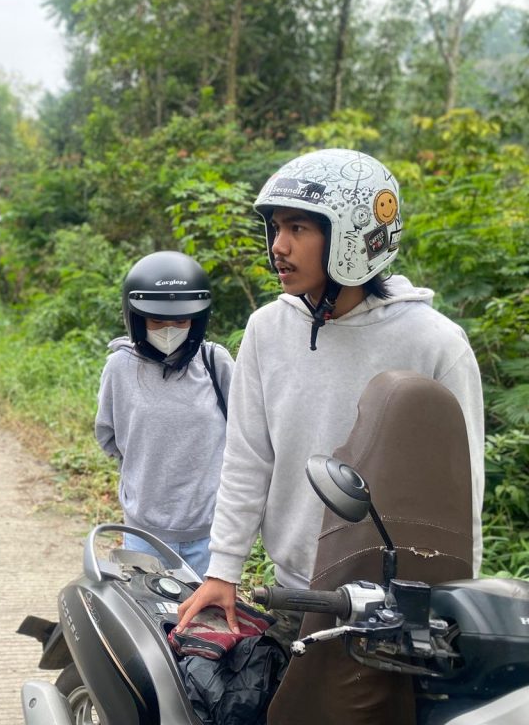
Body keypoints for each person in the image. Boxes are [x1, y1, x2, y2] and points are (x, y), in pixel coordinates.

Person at [175, 148, 484, 640]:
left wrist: (458, 602)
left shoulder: (435, 343)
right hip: (295, 594)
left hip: (396, 606)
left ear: (353, 236)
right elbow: (248, 458)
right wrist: (223, 569)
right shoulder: (267, 330)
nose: (278, 246)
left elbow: (461, 492)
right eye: (276, 228)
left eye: (298, 228)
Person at [95, 251, 234, 578]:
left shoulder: (215, 363)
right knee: (146, 607)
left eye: (180, 321)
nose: (169, 329)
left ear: (197, 319)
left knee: (202, 612)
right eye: (157, 321)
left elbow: (245, 432)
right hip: (143, 533)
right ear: (137, 318)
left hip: (209, 534)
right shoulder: (119, 367)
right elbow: (108, 434)